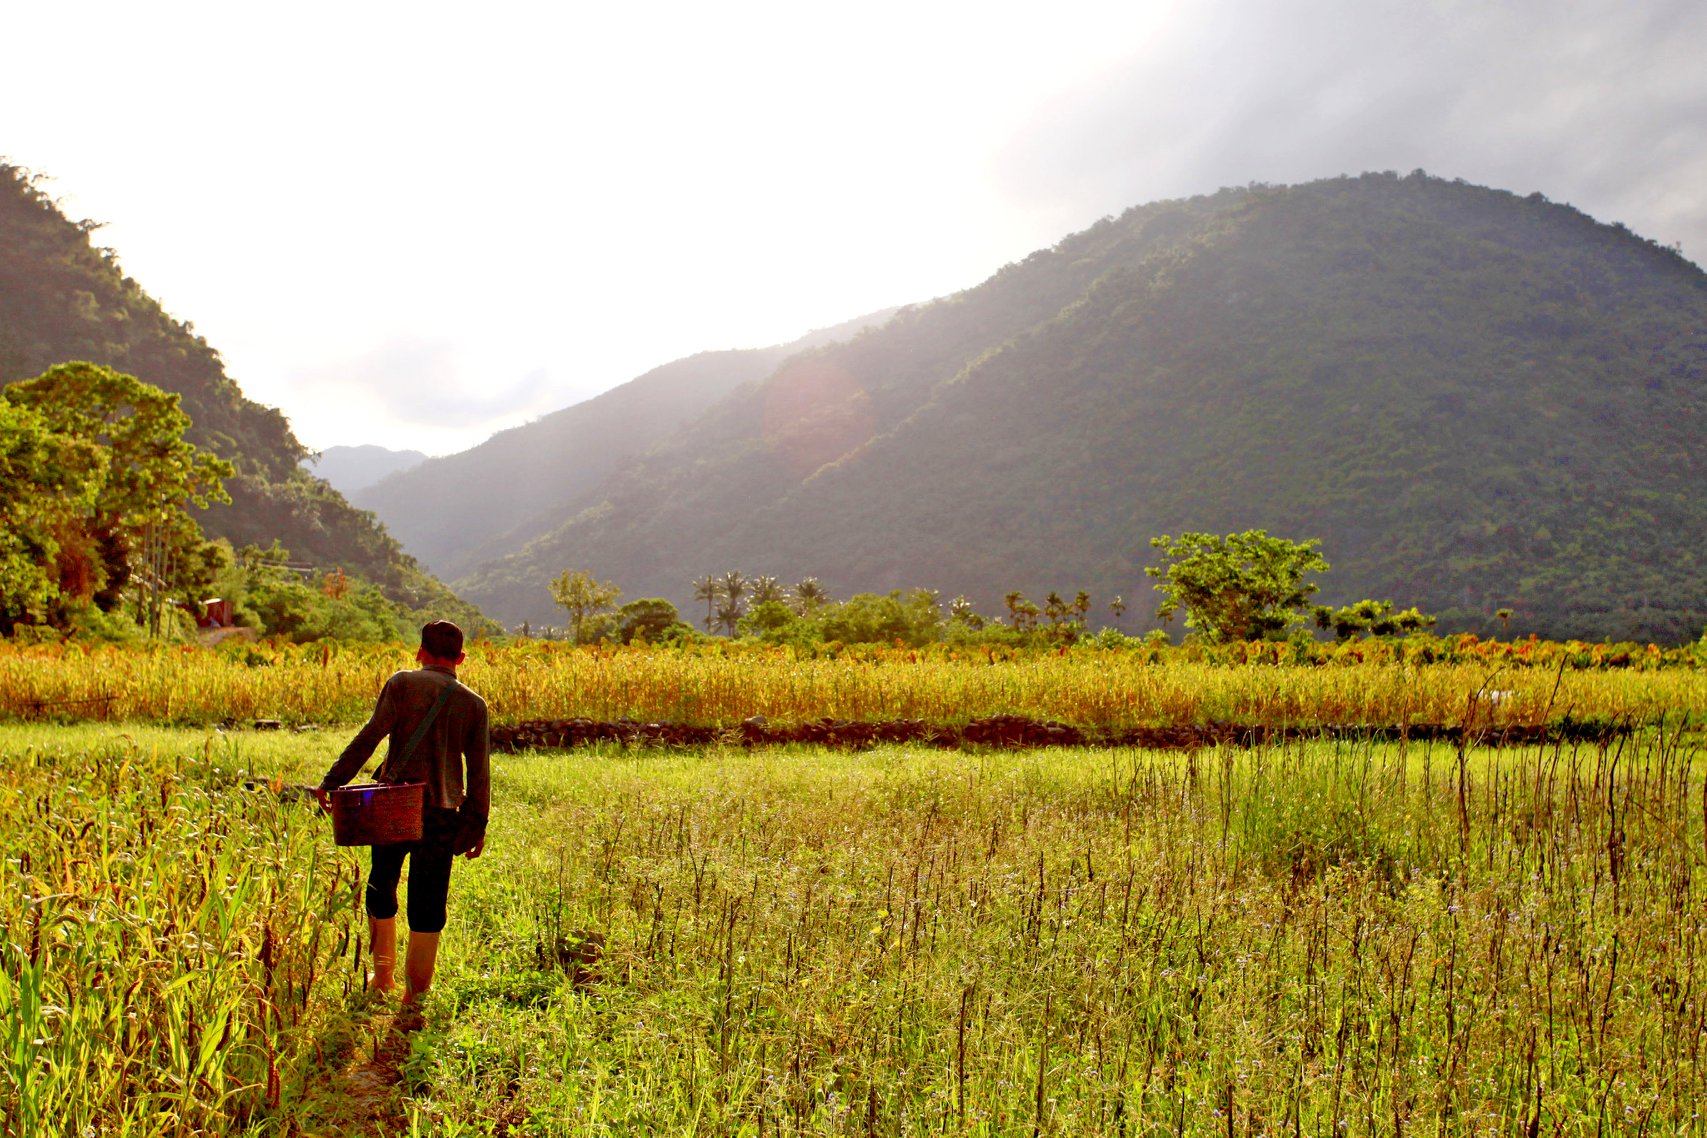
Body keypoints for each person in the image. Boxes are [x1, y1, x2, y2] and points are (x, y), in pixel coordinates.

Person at [315, 620, 490, 1018]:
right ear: (461, 659)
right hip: (443, 813)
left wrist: (333, 781)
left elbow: (370, 736)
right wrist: (476, 824)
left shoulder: (401, 684)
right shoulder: (474, 704)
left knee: (381, 888)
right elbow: (479, 772)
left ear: (420, 652)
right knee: (429, 901)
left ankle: (382, 979)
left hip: (394, 804)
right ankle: (415, 994)